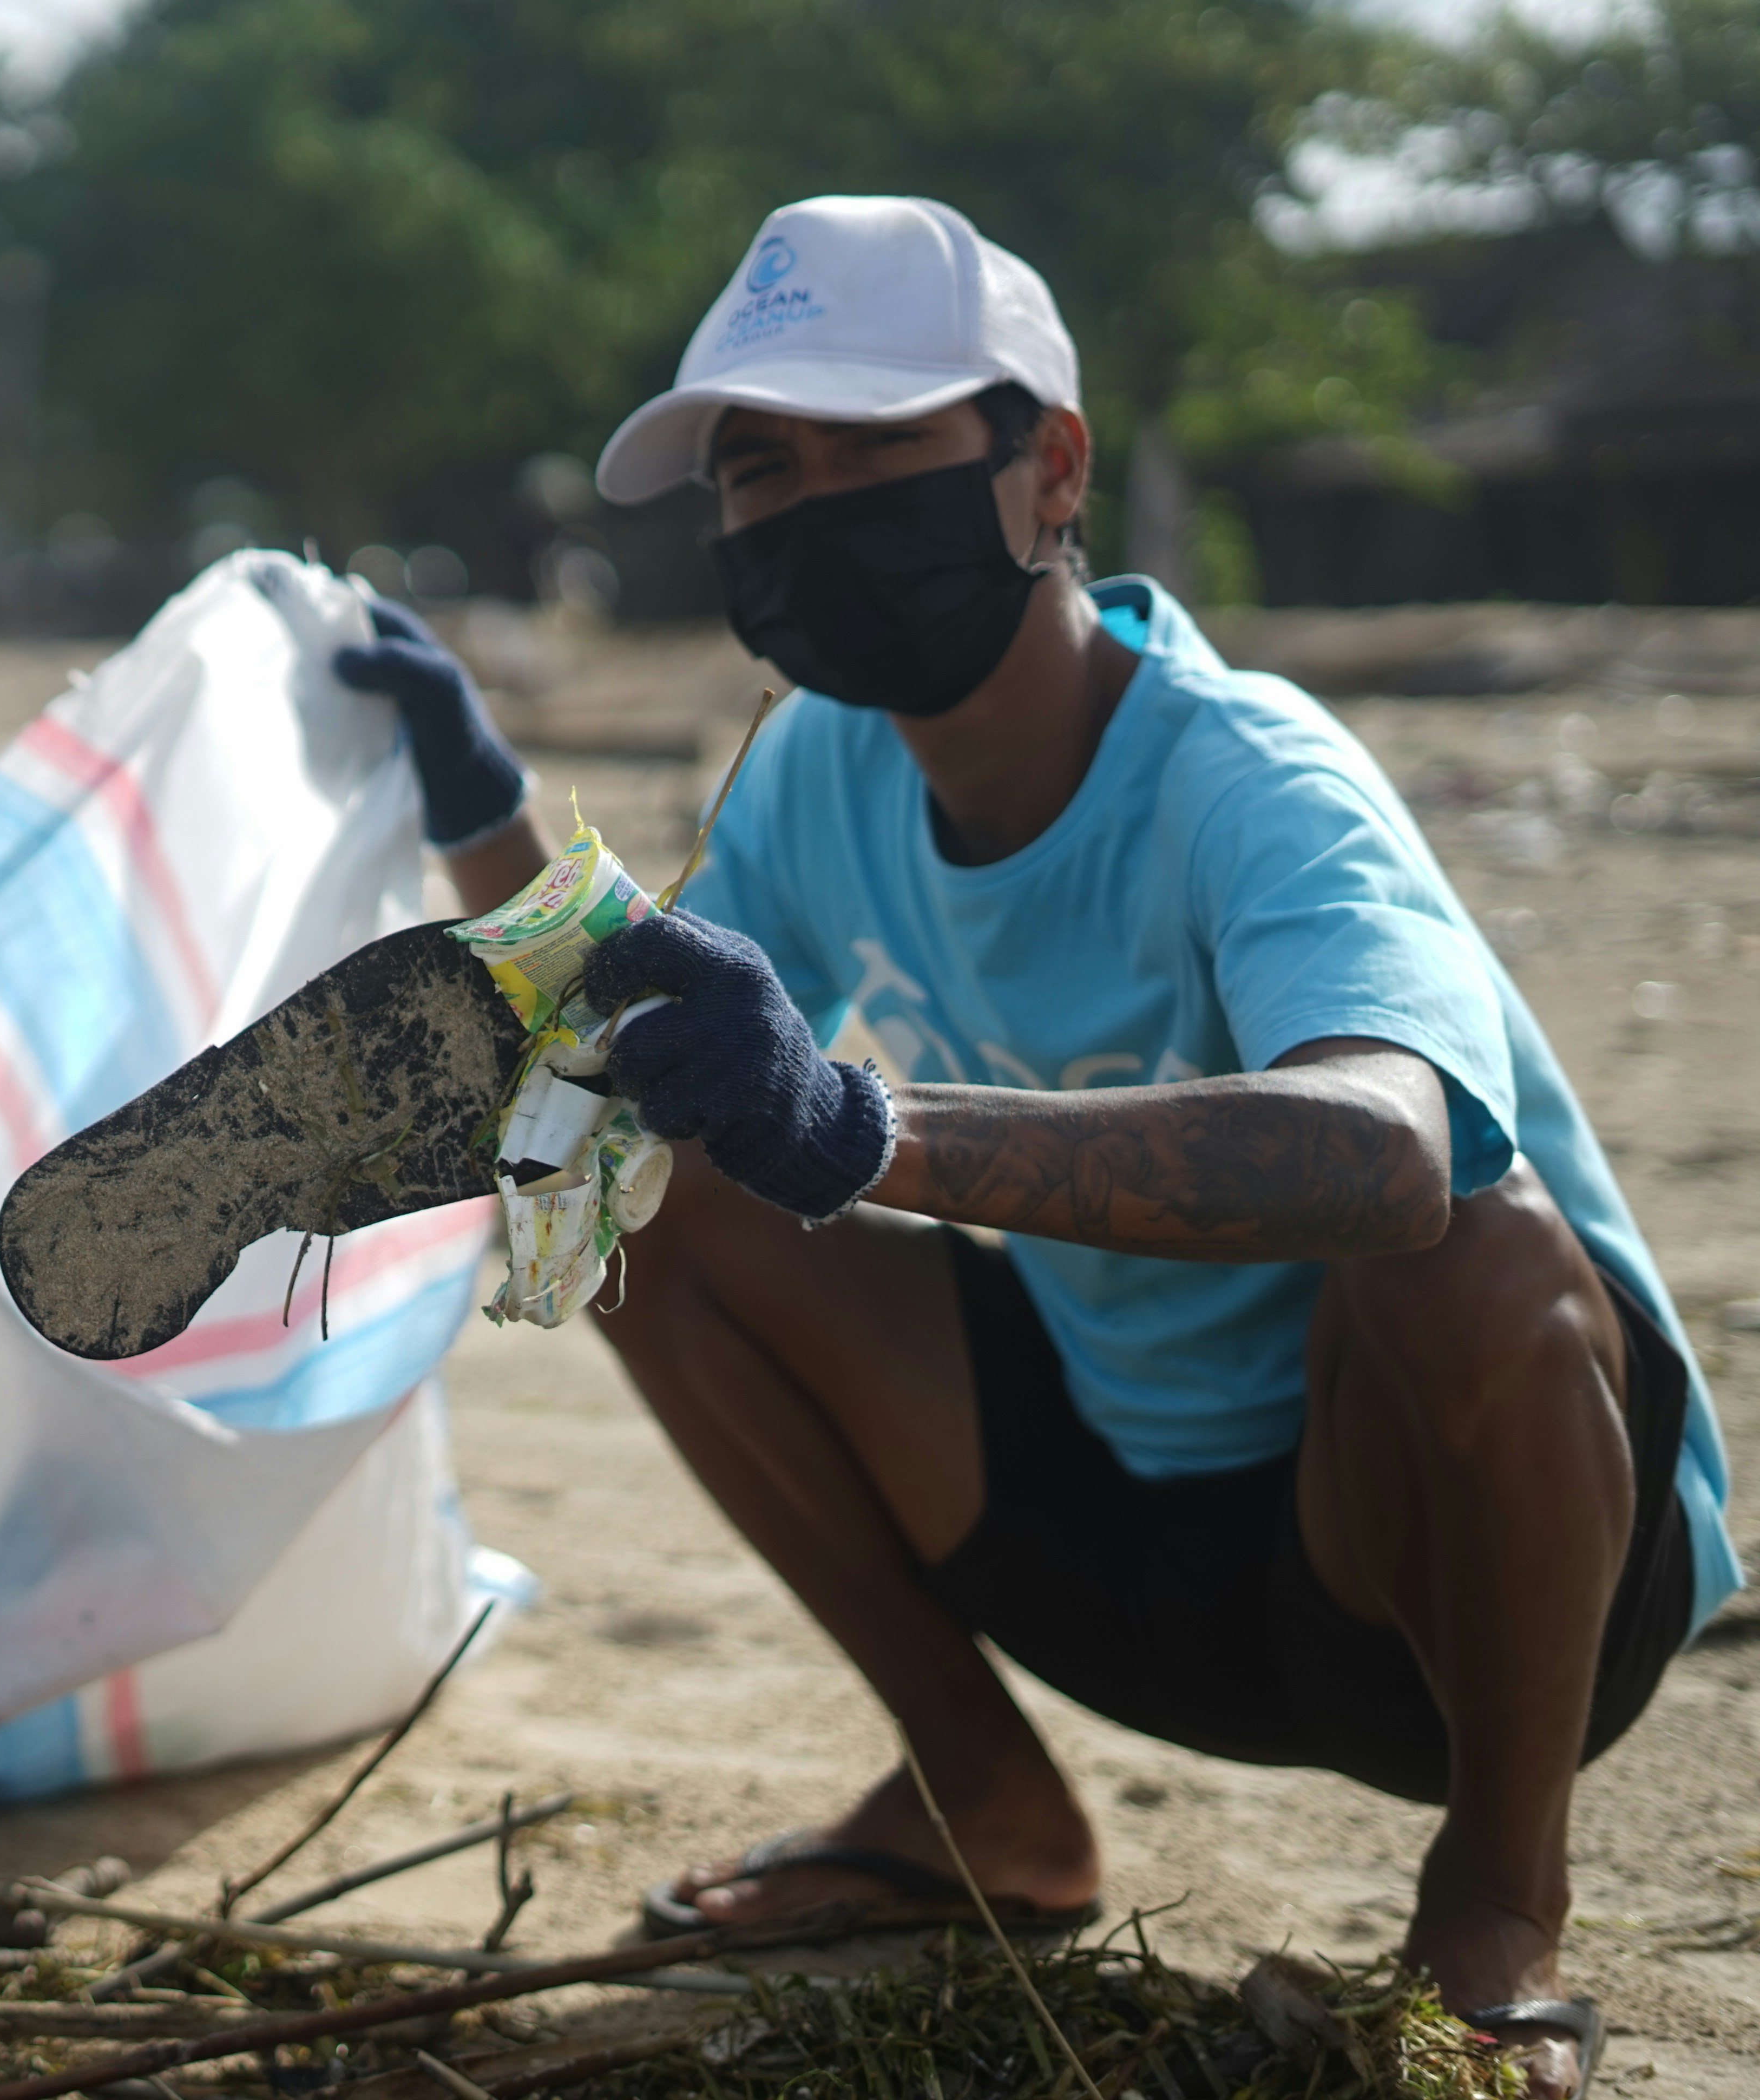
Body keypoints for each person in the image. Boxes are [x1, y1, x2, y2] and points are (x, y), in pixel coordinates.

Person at [340, 194, 1729, 2099]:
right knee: (643, 1184)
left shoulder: (1250, 775)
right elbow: (633, 1047)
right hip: (1116, 1543)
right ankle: (979, 1802)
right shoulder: (830, 764)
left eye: (875, 446)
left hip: (1455, 1589)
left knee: (1475, 1242)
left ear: (1044, 467)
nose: (810, 505)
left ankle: (1498, 1914)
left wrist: (867, 1127)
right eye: (761, 469)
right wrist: (475, 798)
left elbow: (1393, 1161)